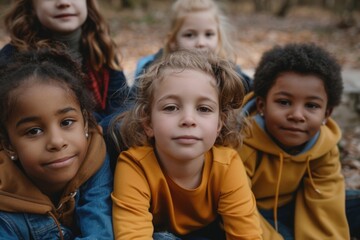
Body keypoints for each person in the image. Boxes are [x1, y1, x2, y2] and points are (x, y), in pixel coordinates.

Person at [111, 49, 263, 239]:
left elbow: (246, 235)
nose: (188, 120)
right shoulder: (134, 165)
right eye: (171, 107)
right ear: (148, 122)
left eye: (204, 108)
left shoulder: (227, 165)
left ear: (218, 124)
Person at [238, 43, 359, 239]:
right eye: (284, 102)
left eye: (311, 105)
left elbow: (326, 203)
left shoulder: (323, 146)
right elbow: (237, 210)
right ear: (262, 105)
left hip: (300, 204)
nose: (297, 115)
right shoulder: (241, 141)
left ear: (326, 114)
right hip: (254, 213)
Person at [0, 48, 114, 239]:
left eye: (66, 122)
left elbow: (100, 231)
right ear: (9, 144)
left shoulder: (95, 157)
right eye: (33, 131)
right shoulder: (5, 200)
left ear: (85, 122)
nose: (56, 142)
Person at [1, 0, 131, 123]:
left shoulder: (101, 49)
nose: (64, 2)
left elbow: (122, 108)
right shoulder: (13, 59)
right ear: (31, 5)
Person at [133, 0, 252, 94]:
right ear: (173, 41)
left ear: (219, 38)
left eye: (209, 34)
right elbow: (133, 105)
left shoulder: (230, 72)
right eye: (189, 35)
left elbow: (253, 91)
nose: (201, 43)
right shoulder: (153, 72)